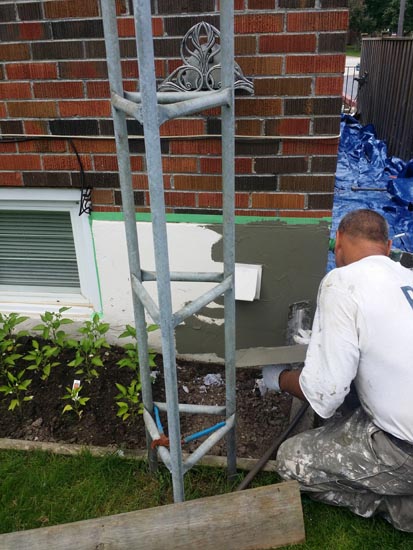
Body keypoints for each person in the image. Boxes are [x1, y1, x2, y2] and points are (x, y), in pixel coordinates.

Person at [262, 209, 413, 532]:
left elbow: (325, 395)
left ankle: (402, 508)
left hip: (405, 451)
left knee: (292, 461)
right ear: (388, 247)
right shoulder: (408, 278)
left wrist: (280, 379)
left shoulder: (342, 283)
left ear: (338, 241)